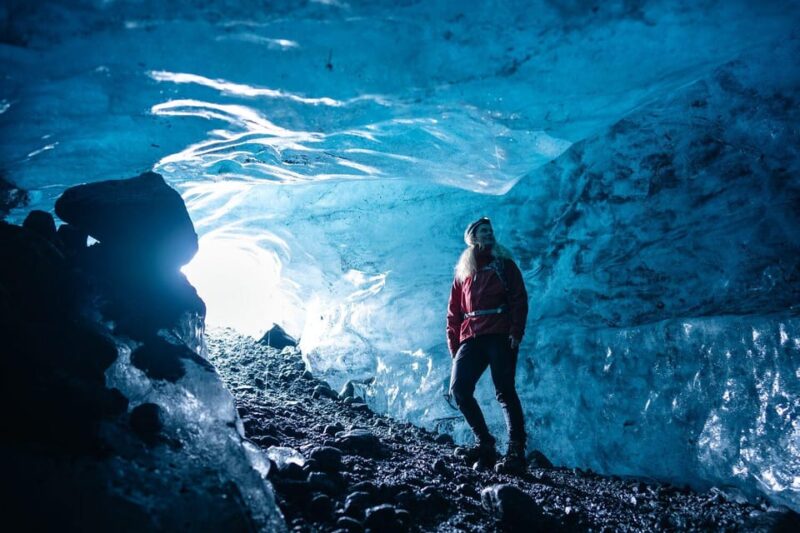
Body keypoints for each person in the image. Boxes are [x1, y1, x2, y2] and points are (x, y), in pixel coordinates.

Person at [446, 216, 529, 473]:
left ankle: (515, 449)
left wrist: (516, 331)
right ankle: (485, 443)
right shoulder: (463, 273)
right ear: (472, 237)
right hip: (471, 336)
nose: (488, 233)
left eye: (490, 230)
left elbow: (518, 298)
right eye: (483, 231)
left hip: (500, 334)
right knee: (459, 389)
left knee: (504, 389)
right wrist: (455, 347)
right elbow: (453, 313)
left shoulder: (505, 265)